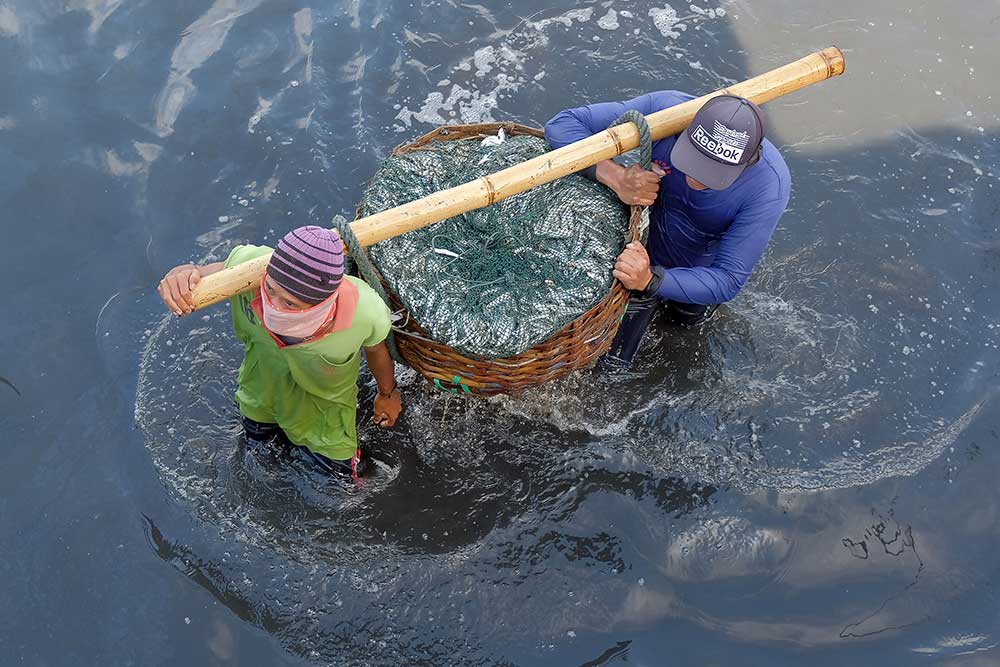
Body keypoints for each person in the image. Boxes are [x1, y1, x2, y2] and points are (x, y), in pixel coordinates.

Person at [544, 92, 791, 365]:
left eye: (712, 173)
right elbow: (561, 125)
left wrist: (650, 280)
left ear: (747, 164)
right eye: (693, 162)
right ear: (686, 132)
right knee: (610, 366)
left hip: (692, 272)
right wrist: (616, 177)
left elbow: (728, 279)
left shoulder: (768, 186)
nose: (695, 178)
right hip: (633, 250)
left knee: (684, 331)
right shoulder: (667, 112)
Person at [158, 225, 402, 480]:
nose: (272, 306)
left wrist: (387, 393)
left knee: (342, 486)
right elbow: (197, 276)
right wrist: (181, 275)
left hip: (326, 425)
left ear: (323, 304)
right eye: (270, 290)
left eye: (290, 304)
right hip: (259, 399)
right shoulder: (245, 270)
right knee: (259, 453)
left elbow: (376, 350)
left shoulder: (364, 312)